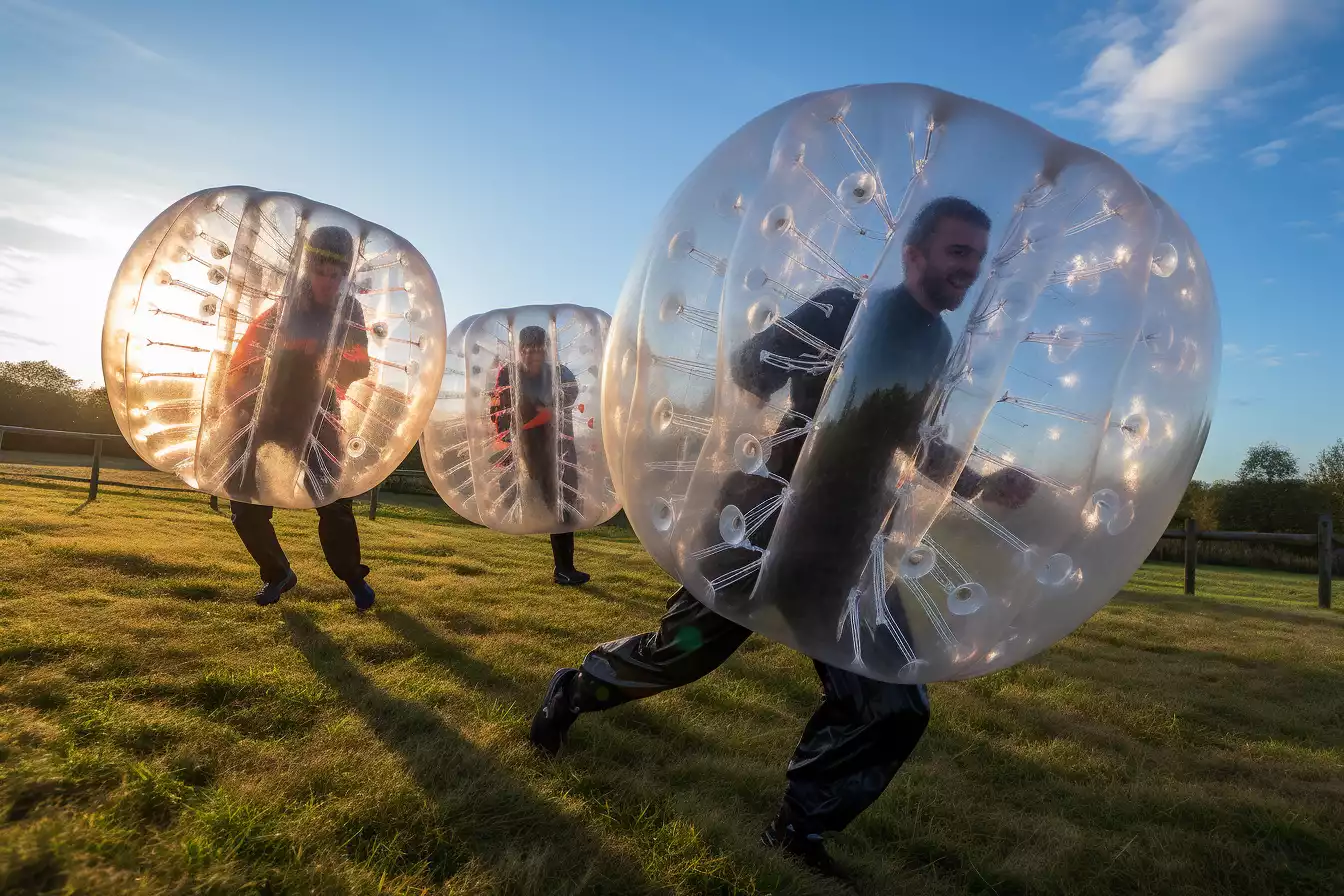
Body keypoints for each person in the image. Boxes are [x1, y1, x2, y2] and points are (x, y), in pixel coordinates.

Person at [528, 198, 1036, 881]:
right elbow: (748, 369)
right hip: (762, 523)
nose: (969, 269)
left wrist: (977, 481)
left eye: (977, 255)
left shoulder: (936, 346)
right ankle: (574, 691)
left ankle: (798, 830)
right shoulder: (840, 311)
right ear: (914, 254)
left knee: (890, 701)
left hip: (843, 545)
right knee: (681, 653)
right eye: (957, 253)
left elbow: (911, 438)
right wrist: (810, 388)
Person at [222, 224, 376, 610]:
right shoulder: (285, 304)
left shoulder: (351, 310)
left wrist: (324, 354)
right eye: (320, 272)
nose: (327, 282)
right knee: (241, 497)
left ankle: (352, 577)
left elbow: (360, 368)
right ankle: (278, 574)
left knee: (333, 500)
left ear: (345, 276)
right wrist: (238, 394)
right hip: (267, 407)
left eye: (336, 275)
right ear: (309, 268)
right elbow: (248, 353)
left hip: (319, 410)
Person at [490, 324, 591, 585]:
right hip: (524, 447)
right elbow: (500, 406)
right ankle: (561, 567)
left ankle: (565, 568)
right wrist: (505, 443)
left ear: (546, 351)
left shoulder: (558, 372)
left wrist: (544, 406)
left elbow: (570, 392)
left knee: (562, 501)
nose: (531, 356)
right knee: (522, 496)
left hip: (557, 448)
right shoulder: (509, 373)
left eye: (537, 350)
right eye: (527, 350)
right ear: (520, 350)